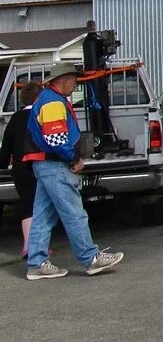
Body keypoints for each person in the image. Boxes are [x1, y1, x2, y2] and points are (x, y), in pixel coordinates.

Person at [25, 62, 124, 280]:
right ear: (63, 80)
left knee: (42, 216)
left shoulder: (47, 99)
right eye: (74, 79)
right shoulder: (53, 102)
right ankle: (91, 258)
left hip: (45, 165)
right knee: (74, 213)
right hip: (55, 166)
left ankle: (36, 263)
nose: (76, 83)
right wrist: (75, 159)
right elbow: (55, 140)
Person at [1, 83, 40, 259]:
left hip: (20, 170)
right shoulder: (41, 116)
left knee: (27, 205)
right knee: (43, 207)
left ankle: (27, 246)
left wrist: (2, 165)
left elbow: (6, 147)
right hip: (39, 166)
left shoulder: (16, 118)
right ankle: (38, 246)